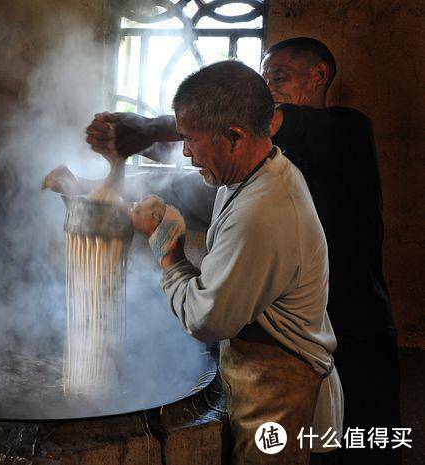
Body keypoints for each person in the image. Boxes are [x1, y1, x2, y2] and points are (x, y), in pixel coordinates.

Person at [77, 37, 400, 465]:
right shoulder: (254, 169)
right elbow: (188, 174)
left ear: (319, 75)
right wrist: (89, 188)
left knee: (365, 449)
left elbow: (207, 318)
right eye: (264, 79)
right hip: (294, 336)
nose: (270, 88)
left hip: (350, 332)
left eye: (278, 77)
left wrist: (144, 131)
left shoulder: (342, 129)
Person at [133, 60, 342, 465]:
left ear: (234, 136)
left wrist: (168, 250)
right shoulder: (254, 173)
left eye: (190, 139)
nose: (187, 153)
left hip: (281, 384)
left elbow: (207, 321)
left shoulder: (261, 210)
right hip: (261, 371)